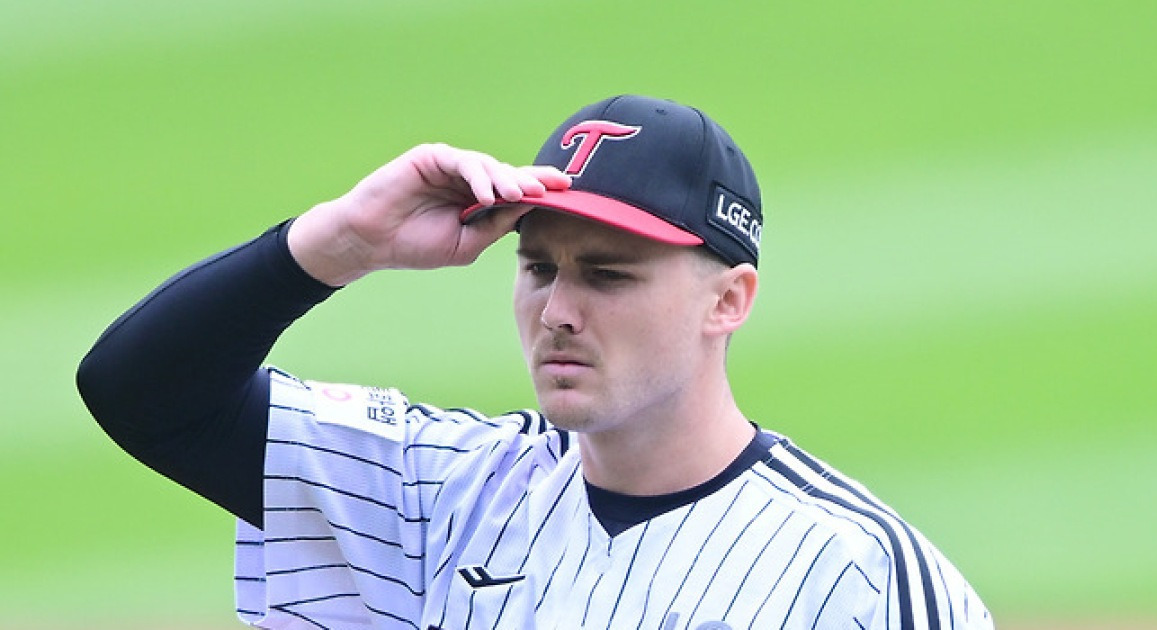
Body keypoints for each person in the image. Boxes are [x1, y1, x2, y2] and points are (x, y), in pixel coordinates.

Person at [78, 94, 993, 630]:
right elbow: (144, 394)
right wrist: (344, 241)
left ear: (728, 301)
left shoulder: (852, 572)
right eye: (538, 268)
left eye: (608, 275)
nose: (558, 311)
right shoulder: (443, 493)